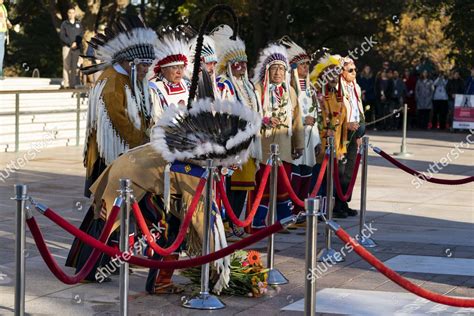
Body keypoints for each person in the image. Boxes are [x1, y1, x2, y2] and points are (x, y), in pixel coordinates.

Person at [66, 16, 157, 281]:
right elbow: (121, 124)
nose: (145, 71)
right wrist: (147, 143)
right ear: (128, 62)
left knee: (114, 212)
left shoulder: (129, 81)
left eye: (147, 66)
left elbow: (140, 118)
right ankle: (91, 266)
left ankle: (100, 261)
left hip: (123, 157)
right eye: (141, 66)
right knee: (105, 211)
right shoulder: (113, 83)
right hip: (109, 158)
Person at [210, 25, 261, 240]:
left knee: (243, 185)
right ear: (228, 65)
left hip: (248, 144)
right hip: (230, 143)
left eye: (244, 63)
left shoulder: (248, 85)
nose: (241, 67)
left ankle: (234, 221)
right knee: (226, 186)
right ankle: (224, 224)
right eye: (236, 63)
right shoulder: (223, 83)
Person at [251, 43, 304, 229]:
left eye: (282, 69)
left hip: (284, 145)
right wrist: (264, 120)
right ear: (267, 70)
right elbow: (250, 113)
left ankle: (283, 221)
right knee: (262, 185)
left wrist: (299, 144)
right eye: (274, 68)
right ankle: (257, 222)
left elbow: (297, 119)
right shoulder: (258, 90)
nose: (278, 73)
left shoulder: (290, 91)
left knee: (283, 185)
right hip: (264, 144)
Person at [281, 37, 321, 214]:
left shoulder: (311, 88)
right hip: (295, 137)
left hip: (310, 138)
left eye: (307, 65)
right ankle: (290, 211)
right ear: (295, 67)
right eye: (303, 65)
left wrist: (317, 140)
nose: (306, 68)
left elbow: (315, 114)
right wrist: (302, 121)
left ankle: (300, 210)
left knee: (307, 174)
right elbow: (286, 111)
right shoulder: (289, 87)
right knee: (294, 175)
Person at [310, 54, 348, 204]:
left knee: (329, 182)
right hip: (320, 146)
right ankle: (314, 211)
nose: (334, 78)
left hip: (334, 147)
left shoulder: (336, 95)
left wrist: (341, 147)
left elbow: (341, 122)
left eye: (336, 75)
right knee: (317, 179)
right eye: (330, 75)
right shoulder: (316, 94)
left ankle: (326, 211)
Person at [335, 56, 365, 218]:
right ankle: (337, 204)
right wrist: (346, 125)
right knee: (340, 169)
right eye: (350, 70)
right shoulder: (337, 87)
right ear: (342, 72)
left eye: (355, 70)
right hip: (342, 133)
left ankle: (345, 202)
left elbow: (358, 108)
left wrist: (361, 131)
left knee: (350, 169)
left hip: (355, 133)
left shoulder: (355, 87)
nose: (354, 73)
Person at [151, 33, 191, 116]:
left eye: (181, 67)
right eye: (174, 67)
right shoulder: (153, 88)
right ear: (162, 69)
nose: (179, 72)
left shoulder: (187, 85)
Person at [59, 6, 84, 88]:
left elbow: (81, 35)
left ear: (75, 13)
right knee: (66, 66)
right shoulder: (64, 24)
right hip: (67, 47)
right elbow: (62, 36)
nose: (71, 14)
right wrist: (70, 43)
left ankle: (72, 85)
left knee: (74, 66)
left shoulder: (78, 24)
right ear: (67, 14)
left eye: (73, 13)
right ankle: (66, 84)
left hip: (76, 48)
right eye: (70, 13)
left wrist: (76, 43)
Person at [0, 0, 12, 79]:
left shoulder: (3, 7)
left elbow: (5, 18)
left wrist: (8, 23)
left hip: (2, 32)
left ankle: (0, 70)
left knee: (1, 52)